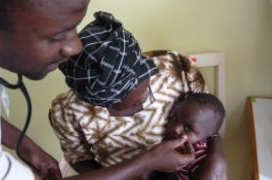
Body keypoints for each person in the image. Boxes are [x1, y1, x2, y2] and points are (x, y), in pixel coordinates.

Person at [0, 1, 196, 180]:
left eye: (74, 29)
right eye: (56, 36)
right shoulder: (67, 113)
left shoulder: (175, 70)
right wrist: (146, 163)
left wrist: (27, 147)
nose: (75, 48)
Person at [49, 11, 226, 179]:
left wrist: (217, 159)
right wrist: (140, 168)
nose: (145, 97)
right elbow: (80, 161)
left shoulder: (176, 69)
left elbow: (208, 120)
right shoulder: (67, 113)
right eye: (134, 101)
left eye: (145, 75)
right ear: (101, 103)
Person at [151, 92, 227, 180]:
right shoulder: (169, 139)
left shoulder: (198, 155)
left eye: (187, 128)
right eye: (175, 118)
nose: (176, 128)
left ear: (206, 136)